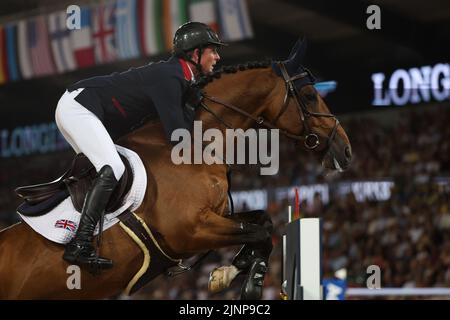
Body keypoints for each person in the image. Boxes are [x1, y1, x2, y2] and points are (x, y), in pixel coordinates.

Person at [55, 22, 226, 271]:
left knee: (124, 176)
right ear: (195, 53)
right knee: (112, 166)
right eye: (213, 50)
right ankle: (79, 244)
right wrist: (192, 110)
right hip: (80, 106)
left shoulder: (180, 77)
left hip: (88, 110)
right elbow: (178, 138)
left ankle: (83, 233)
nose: (218, 56)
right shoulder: (171, 76)